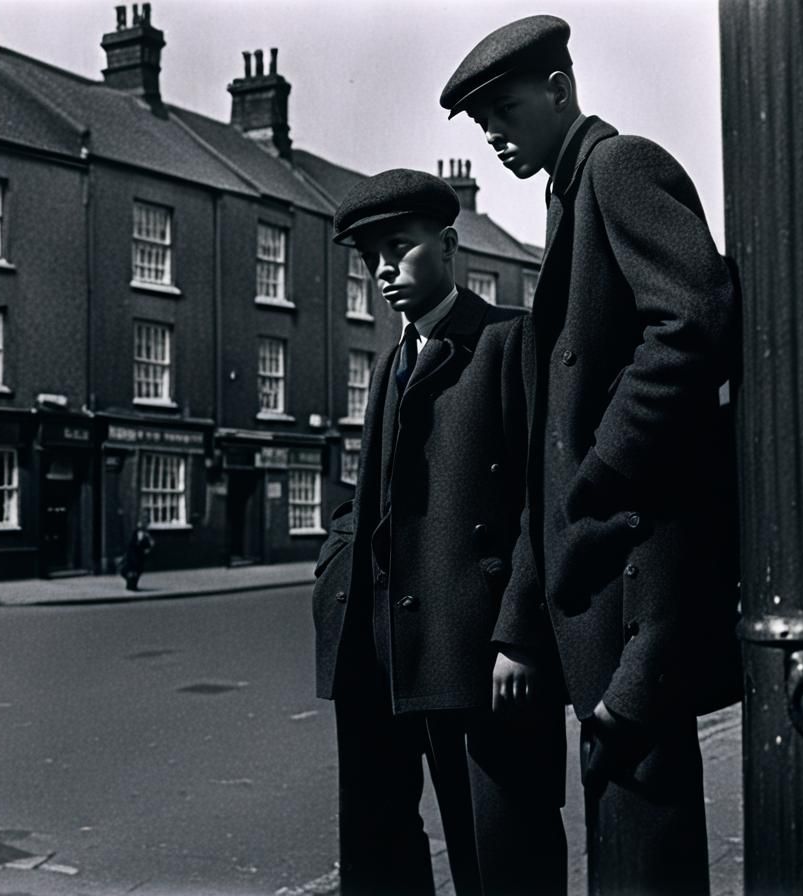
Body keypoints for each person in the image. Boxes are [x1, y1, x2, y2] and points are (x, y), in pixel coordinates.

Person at [441, 15, 739, 896]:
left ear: (561, 91)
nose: (494, 134)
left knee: (644, 856)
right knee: (622, 851)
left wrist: (605, 462)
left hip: (639, 588)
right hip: (595, 600)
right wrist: (519, 628)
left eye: (505, 109)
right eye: (480, 121)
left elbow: (694, 317)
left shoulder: (618, 167)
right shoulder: (567, 199)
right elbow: (546, 453)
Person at [311, 169, 567, 896]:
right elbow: (367, 500)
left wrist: (520, 634)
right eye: (372, 259)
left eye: (400, 248)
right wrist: (334, 570)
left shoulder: (507, 342)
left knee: (498, 854)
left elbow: (543, 503)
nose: (385, 271)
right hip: (377, 649)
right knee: (380, 847)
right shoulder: (393, 361)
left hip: (476, 651)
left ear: (449, 244)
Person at [119, 511, 155, 591]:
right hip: (135, 555)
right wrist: (146, 547)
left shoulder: (142, 532)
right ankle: (131, 585)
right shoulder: (140, 531)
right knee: (134, 570)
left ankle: (132, 585)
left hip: (137, 555)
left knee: (136, 570)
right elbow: (139, 542)